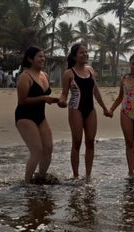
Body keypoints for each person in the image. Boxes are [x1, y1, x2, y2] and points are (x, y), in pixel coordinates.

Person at [57, 43, 111, 180]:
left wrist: (105, 108)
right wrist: (61, 100)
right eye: (82, 53)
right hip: (76, 108)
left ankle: (88, 175)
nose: (85, 55)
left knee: (90, 141)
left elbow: (96, 91)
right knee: (77, 141)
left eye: (86, 52)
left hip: (90, 109)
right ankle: (75, 176)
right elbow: (64, 93)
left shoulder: (90, 70)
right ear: (75, 56)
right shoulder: (69, 73)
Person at [14, 47, 59, 184]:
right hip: (25, 116)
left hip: (40, 116)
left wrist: (57, 101)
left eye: (43, 57)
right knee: (37, 151)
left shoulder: (44, 75)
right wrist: (44, 99)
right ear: (30, 59)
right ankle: (26, 184)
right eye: (39, 56)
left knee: (48, 148)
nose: (43, 59)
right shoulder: (25, 77)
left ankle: (40, 178)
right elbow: (22, 101)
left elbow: (46, 96)